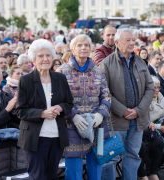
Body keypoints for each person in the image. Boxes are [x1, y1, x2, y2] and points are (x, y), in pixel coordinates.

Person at [100, 28, 154, 180]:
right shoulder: (106, 64)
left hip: (137, 120)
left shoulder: (140, 62)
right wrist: (123, 111)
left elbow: (150, 87)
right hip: (116, 121)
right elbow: (104, 92)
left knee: (133, 156)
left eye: (133, 40)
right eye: (127, 40)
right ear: (117, 43)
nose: (132, 43)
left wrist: (139, 110)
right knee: (111, 159)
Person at [16, 39, 73, 180]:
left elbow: (69, 103)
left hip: (56, 136)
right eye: (40, 56)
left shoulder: (60, 78)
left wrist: (60, 107)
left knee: (52, 175)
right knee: (37, 176)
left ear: (53, 57)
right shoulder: (26, 81)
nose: (45, 59)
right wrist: (42, 113)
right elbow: (21, 110)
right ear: (34, 59)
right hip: (35, 137)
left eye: (48, 55)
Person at [56, 34, 111, 180]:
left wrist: (100, 114)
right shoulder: (62, 71)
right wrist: (73, 115)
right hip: (71, 127)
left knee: (96, 171)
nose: (83, 48)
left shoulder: (98, 71)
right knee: (74, 173)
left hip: (96, 126)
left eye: (86, 45)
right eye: (79, 45)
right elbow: (58, 98)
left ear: (91, 49)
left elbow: (106, 96)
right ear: (72, 50)